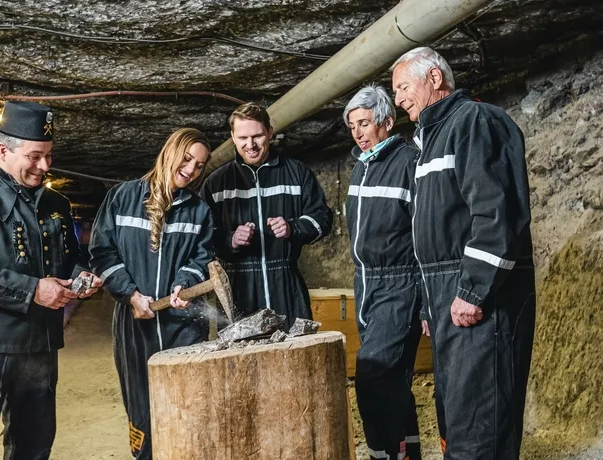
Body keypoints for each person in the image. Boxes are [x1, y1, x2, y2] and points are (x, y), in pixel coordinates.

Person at [391, 47, 536, 459]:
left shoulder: (475, 120)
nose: (399, 99)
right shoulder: (432, 140)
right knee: (457, 416)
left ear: (434, 78)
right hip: (446, 292)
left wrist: (472, 290)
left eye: (403, 87)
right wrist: (429, 305)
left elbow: (497, 214)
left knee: (481, 424)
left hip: (479, 294)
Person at [0, 100, 102, 460]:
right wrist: (34, 290)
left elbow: (71, 258)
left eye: (48, 155)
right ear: (3, 150)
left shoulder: (56, 204)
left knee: (34, 446)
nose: (44, 166)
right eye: (34, 156)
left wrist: (81, 277)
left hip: (39, 345)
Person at [88, 128, 213, 460]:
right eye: (187, 159)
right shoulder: (122, 197)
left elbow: (201, 257)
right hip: (135, 324)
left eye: (199, 166)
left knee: (185, 407)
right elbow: (102, 253)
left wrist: (184, 284)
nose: (191, 169)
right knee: (142, 409)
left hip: (183, 325)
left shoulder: (198, 210)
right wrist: (130, 295)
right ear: (169, 151)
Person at [343, 84, 425, 460]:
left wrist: (424, 302)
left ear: (387, 122)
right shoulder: (361, 165)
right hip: (366, 285)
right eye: (352, 125)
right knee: (393, 382)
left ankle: (383, 454)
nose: (357, 132)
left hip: (399, 283)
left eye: (364, 123)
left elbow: (426, 235)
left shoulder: (408, 162)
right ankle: (407, 452)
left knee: (373, 376)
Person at [200, 102, 333, 329]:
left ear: (270, 132)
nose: (250, 145)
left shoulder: (297, 173)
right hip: (240, 289)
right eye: (242, 138)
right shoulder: (216, 183)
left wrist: (294, 228)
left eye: (257, 136)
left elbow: (323, 218)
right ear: (232, 136)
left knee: (295, 356)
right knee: (244, 361)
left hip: (286, 286)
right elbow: (202, 238)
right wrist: (230, 239)